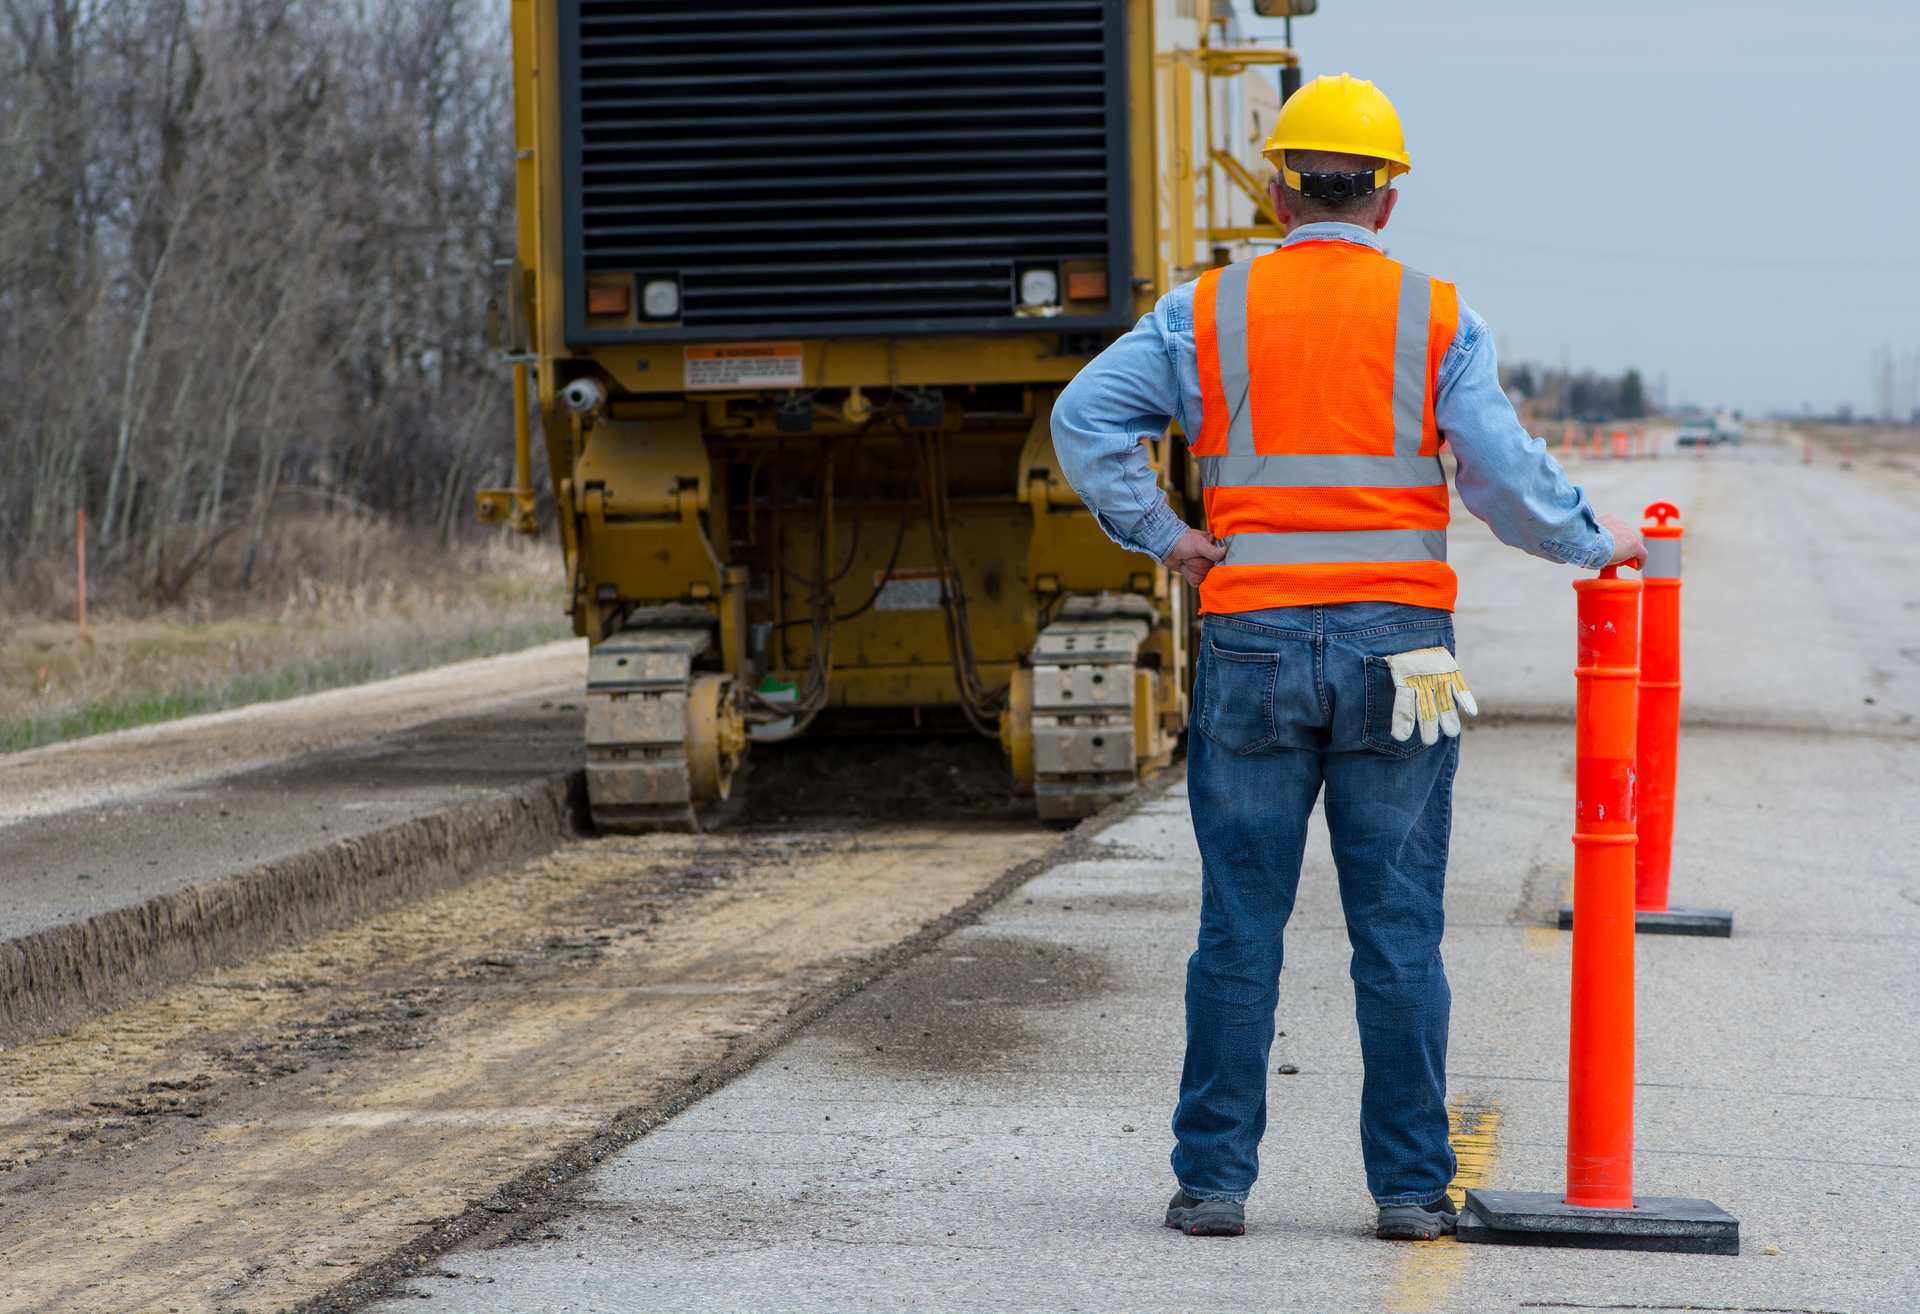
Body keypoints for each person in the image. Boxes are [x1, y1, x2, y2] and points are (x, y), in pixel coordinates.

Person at [1050, 73, 1647, 1241]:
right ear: (1386, 197)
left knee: (1240, 925)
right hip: (1400, 651)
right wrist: (1589, 543)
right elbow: (1502, 478)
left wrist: (1171, 539)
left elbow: (1086, 420)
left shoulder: (1205, 311)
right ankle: (1412, 1192)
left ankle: (1214, 1185)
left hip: (1254, 639)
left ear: (1279, 188)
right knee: (1398, 930)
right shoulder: (1434, 315)